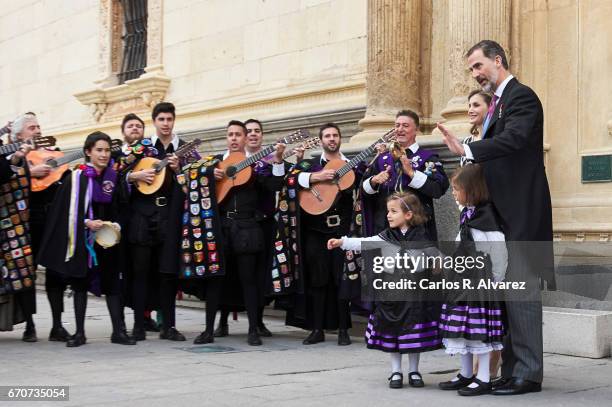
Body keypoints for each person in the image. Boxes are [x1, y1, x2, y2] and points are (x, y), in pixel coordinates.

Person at [438, 39, 553, 395]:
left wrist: (469, 148)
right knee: (506, 298)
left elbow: (516, 139)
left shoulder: (521, 97)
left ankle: (529, 374)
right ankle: (512, 369)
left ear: (497, 60)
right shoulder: (498, 104)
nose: (475, 75)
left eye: (477, 66)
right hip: (499, 216)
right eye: (471, 69)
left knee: (523, 295)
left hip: (522, 213)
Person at [328, 192, 442, 388]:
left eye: (393, 211)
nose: (388, 215)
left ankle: (414, 371)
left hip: (414, 295)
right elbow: (365, 242)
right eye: (388, 211)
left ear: (408, 215)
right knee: (393, 332)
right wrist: (343, 242)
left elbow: (434, 255)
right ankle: (396, 371)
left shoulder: (421, 236)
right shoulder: (386, 236)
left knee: (412, 334)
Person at [192, 120, 286, 346]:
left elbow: (274, 186)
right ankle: (208, 331)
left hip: (247, 229)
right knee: (215, 280)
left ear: (245, 139)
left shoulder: (256, 167)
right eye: (230, 134)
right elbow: (193, 184)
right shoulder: (214, 164)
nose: (234, 138)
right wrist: (205, 175)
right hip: (221, 229)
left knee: (249, 280)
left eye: (238, 135)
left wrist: (279, 160)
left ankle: (253, 329)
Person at [37, 132, 135, 346]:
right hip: (82, 239)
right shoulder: (76, 178)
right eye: (99, 150)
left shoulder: (114, 177)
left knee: (112, 285)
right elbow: (65, 212)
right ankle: (79, 333)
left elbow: (124, 208)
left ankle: (118, 331)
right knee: (80, 284)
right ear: (88, 152)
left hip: (109, 240)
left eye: (107, 150)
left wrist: (115, 226)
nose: (104, 154)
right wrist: (85, 222)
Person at [437, 164, 507, 396]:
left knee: (478, 331)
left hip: (480, 283)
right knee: (460, 328)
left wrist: (495, 281)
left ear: (473, 190)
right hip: (462, 282)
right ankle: (466, 373)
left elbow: (498, 252)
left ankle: (484, 376)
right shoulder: (468, 215)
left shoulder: (486, 219)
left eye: (457, 189)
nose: (454, 193)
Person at [124, 102, 185, 341]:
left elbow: (196, 180)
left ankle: (168, 325)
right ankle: (139, 324)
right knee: (141, 272)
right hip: (142, 216)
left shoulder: (184, 149)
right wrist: (134, 175)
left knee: (167, 272)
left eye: (169, 119)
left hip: (168, 217)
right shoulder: (142, 147)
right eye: (161, 119)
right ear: (155, 122)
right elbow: (120, 172)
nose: (166, 124)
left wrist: (179, 170)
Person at [362, 110, 449, 239]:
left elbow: (438, 189)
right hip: (384, 228)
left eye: (405, 126)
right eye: (397, 125)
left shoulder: (427, 158)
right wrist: (374, 181)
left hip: (417, 230)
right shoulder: (382, 158)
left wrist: (411, 173)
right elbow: (363, 190)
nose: (400, 129)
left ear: (416, 130)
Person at [116, 113, 161, 333]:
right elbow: (110, 180)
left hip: (144, 219)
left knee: (145, 270)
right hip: (121, 219)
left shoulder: (151, 153)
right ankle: (122, 320)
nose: (135, 128)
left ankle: (143, 317)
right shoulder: (116, 155)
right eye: (130, 126)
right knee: (124, 271)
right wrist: (132, 177)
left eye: (138, 126)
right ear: (123, 131)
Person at [0, 120, 37, 341]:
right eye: (32, 128)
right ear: (17, 134)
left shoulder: (20, 153)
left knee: (24, 274)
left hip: (18, 225)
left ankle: (30, 324)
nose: (37, 131)